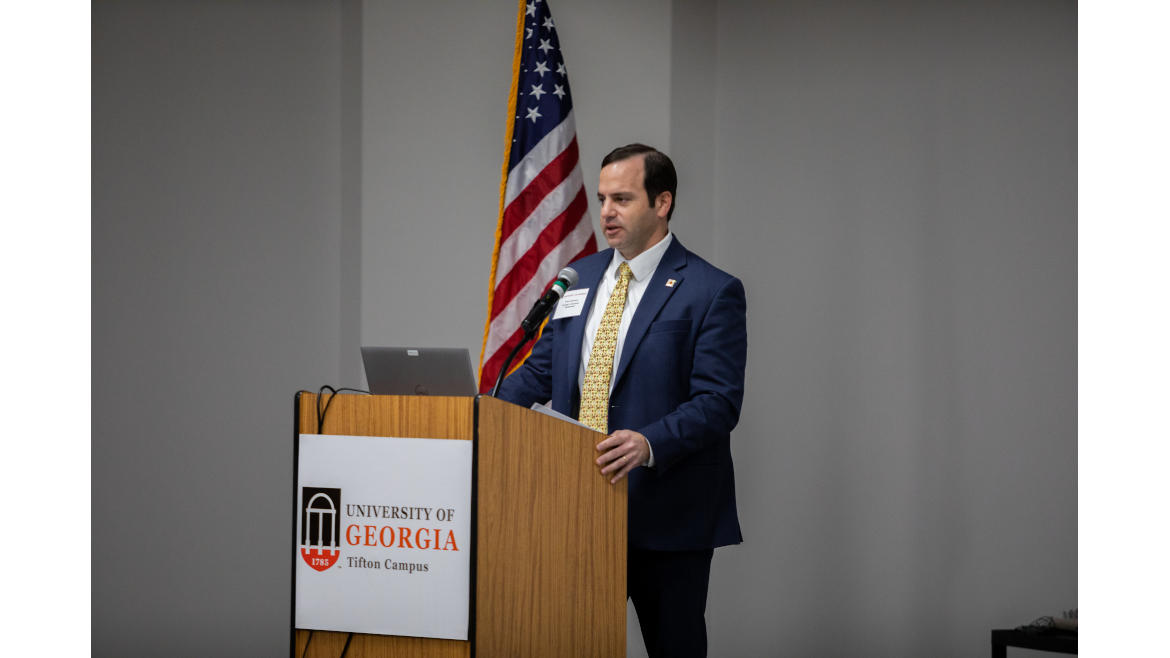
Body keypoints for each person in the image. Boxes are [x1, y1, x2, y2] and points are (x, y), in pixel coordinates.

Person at [497, 143, 746, 658]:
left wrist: (649, 442)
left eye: (623, 199)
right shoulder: (580, 277)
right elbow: (543, 369)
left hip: (665, 514)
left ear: (662, 203)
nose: (606, 211)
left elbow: (718, 401)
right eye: (603, 198)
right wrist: (482, 411)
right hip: (576, 506)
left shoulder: (710, 290)